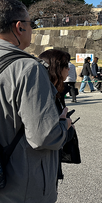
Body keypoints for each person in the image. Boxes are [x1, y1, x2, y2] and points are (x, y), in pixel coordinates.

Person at [0, 0, 71, 203]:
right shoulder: (27, 68)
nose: (32, 30)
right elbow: (43, 137)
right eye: (31, 24)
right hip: (19, 193)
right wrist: (64, 126)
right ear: (19, 27)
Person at [38, 49, 77, 186]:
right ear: (56, 68)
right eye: (66, 65)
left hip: (48, 164)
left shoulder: (52, 90)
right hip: (42, 167)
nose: (68, 69)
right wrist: (65, 126)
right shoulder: (45, 95)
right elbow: (47, 137)